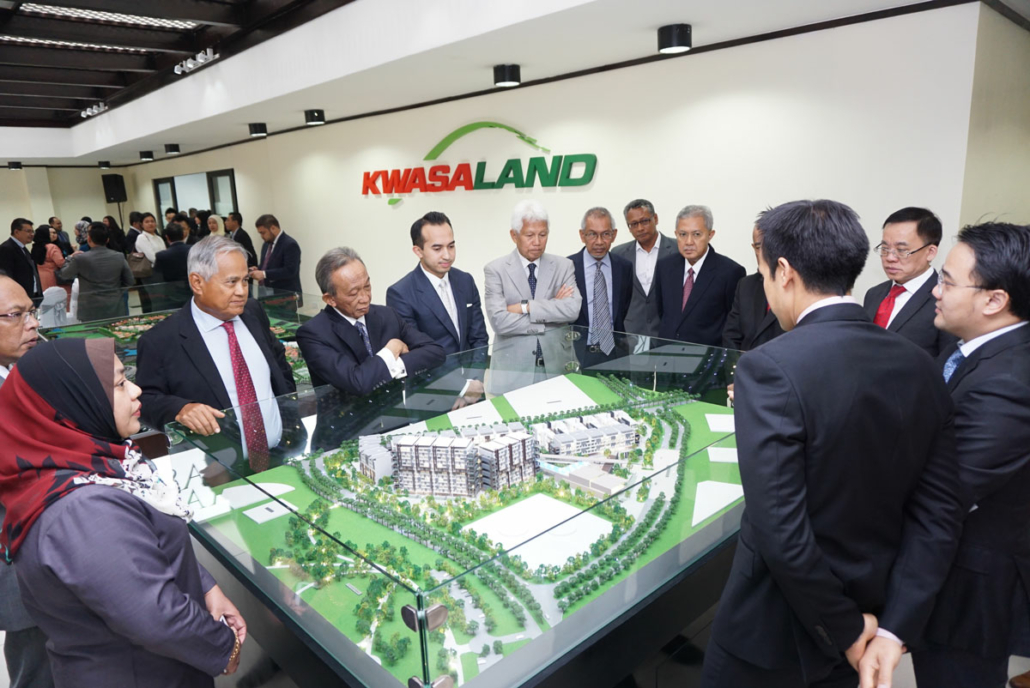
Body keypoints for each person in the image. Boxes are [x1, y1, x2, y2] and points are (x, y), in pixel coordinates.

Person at [700, 199, 965, 688]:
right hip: (873, 617)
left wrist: (846, 629)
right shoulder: (920, 365)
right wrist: (891, 630)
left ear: (784, 271)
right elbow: (938, 516)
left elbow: (781, 530)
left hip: (775, 635)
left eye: (765, 274)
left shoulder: (770, 367)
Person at [0, 338, 245, 687]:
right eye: (118, 384)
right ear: (74, 403)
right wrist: (224, 647)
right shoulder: (84, 510)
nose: (135, 390)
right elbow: (154, 615)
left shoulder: (93, 464)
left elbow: (139, 556)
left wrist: (205, 587)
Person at [862, 222, 1030, 688]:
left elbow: (941, 499)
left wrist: (894, 627)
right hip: (943, 571)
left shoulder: (1010, 384)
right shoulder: (970, 351)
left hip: (970, 592)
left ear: (994, 301)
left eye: (948, 282)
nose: (935, 291)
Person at [136, 236, 296, 446]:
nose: (242, 291)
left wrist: (289, 421)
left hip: (281, 448)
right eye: (231, 282)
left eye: (245, 280)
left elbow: (279, 365)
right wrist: (180, 409)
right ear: (197, 283)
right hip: (216, 461)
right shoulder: (160, 341)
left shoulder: (253, 312)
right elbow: (145, 400)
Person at [297, 247, 445, 396]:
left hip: (395, 408)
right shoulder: (313, 334)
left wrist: (395, 366)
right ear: (330, 299)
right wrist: (391, 351)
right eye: (353, 293)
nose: (365, 298)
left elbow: (434, 351)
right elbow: (357, 382)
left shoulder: (387, 315)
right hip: (348, 410)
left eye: (367, 286)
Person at [0, 274, 52, 688]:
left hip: (49, 550)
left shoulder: (21, 369)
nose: (32, 323)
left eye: (32, 312)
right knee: (37, 668)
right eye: (16, 315)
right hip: (17, 563)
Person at [386, 211, 489, 355]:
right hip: (433, 370)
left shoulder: (465, 281)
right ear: (418, 251)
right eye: (437, 248)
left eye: (451, 246)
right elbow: (415, 351)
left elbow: (479, 338)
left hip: (471, 368)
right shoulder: (401, 294)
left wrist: (476, 369)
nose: (447, 255)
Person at [862, 207, 957, 358]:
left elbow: (947, 362)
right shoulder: (874, 294)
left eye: (901, 250)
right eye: (885, 249)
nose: (890, 258)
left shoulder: (946, 299)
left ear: (930, 252)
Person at [656, 205, 745, 347]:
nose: (689, 242)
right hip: (667, 354)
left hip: (707, 356)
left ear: (710, 235)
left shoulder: (730, 272)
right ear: (676, 234)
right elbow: (662, 312)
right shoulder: (665, 266)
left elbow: (733, 326)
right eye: (683, 234)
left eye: (696, 234)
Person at [567, 207, 633, 356]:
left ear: (614, 235)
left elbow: (624, 307)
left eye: (606, 234)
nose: (599, 242)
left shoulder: (624, 267)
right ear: (582, 235)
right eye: (592, 234)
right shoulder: (568, 266)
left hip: (617, 351)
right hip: (578, 352)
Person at [611, 199, 677, 337]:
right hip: (632, 333)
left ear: (655, 219)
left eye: (645, 221)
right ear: (628, 227)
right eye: (634, 224)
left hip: (669, 331)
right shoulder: (618, 254)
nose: (640, 228)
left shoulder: (678, 249)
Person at [723, 218, 785, 351]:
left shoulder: (799, 285)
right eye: (758, 247)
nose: (763, 253)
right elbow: (731, 336)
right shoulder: (746, 285)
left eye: (768, 246)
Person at [56, 224, 133, 322]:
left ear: (89, 239)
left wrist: (69, 258)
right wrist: (116, 291)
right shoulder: (119, 256)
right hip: (114, 304)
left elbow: (64, 274)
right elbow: (130, 280)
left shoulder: (81, 258)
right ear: (107, 240)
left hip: (90, 307)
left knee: (93, 331)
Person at [250, 214, 302, 293]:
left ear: (273, 228)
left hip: (285, 294)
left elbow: (290, 271)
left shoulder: (290, 244)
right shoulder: (266, 244)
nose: (261, 236)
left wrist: (264, 274)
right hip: (266, 291)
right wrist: (258, 269)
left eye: (263, 233)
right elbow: (268, 265)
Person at [0, 219, 42, 300]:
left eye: (32, 231)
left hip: (31, 294)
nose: (32, 234)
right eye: (28, 231)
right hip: (18, 296)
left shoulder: (23, 248)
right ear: (16, 232)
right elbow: (6, 275)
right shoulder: (6, 248)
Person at [31, 225, 69, 296]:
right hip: (54, 277)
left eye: (55, 233)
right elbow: (61, 263)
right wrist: (71, 258)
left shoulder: (35, 247)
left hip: (41, 278)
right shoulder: (52, 247)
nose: (54, 235)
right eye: (51, 233)